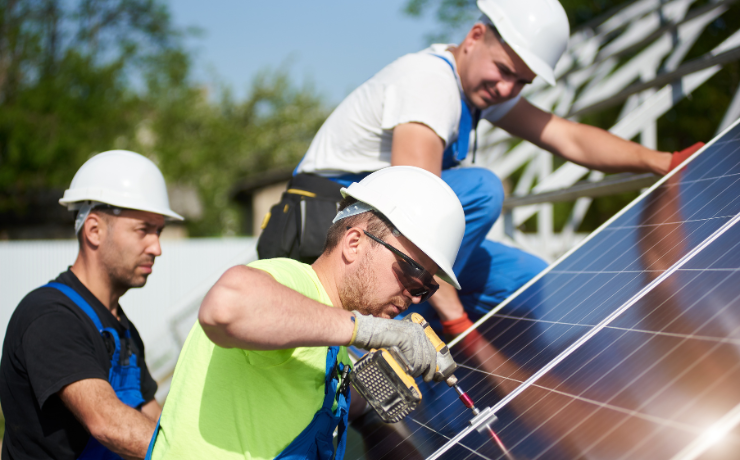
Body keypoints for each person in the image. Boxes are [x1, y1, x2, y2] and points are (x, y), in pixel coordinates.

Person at [269, 0, 705, 338]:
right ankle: (398, 333)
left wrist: (663, 162)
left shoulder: (479, 87)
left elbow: (566, 136)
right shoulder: (429, 81)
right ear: (475, 36)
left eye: (521, 82)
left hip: (388, 236)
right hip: (340, 237)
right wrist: (456, 320)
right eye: (503, 71)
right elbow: (414, 213)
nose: (507, 88)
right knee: (480, 188)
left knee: (532, 283)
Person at [147, 166, 466, 460]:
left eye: (426, 287)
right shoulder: (292, 282)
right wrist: (374, 330)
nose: (414, 295)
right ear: (354, 242)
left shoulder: (333, 346)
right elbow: (225, 306)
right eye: (410, 271)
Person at [0, 150, 184, 459]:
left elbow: (155, 421)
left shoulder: (122, 330)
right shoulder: (51, 317)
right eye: (144, 230)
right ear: (94, 230)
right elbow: (107, 422)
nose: (157, 247)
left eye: (159, 231)